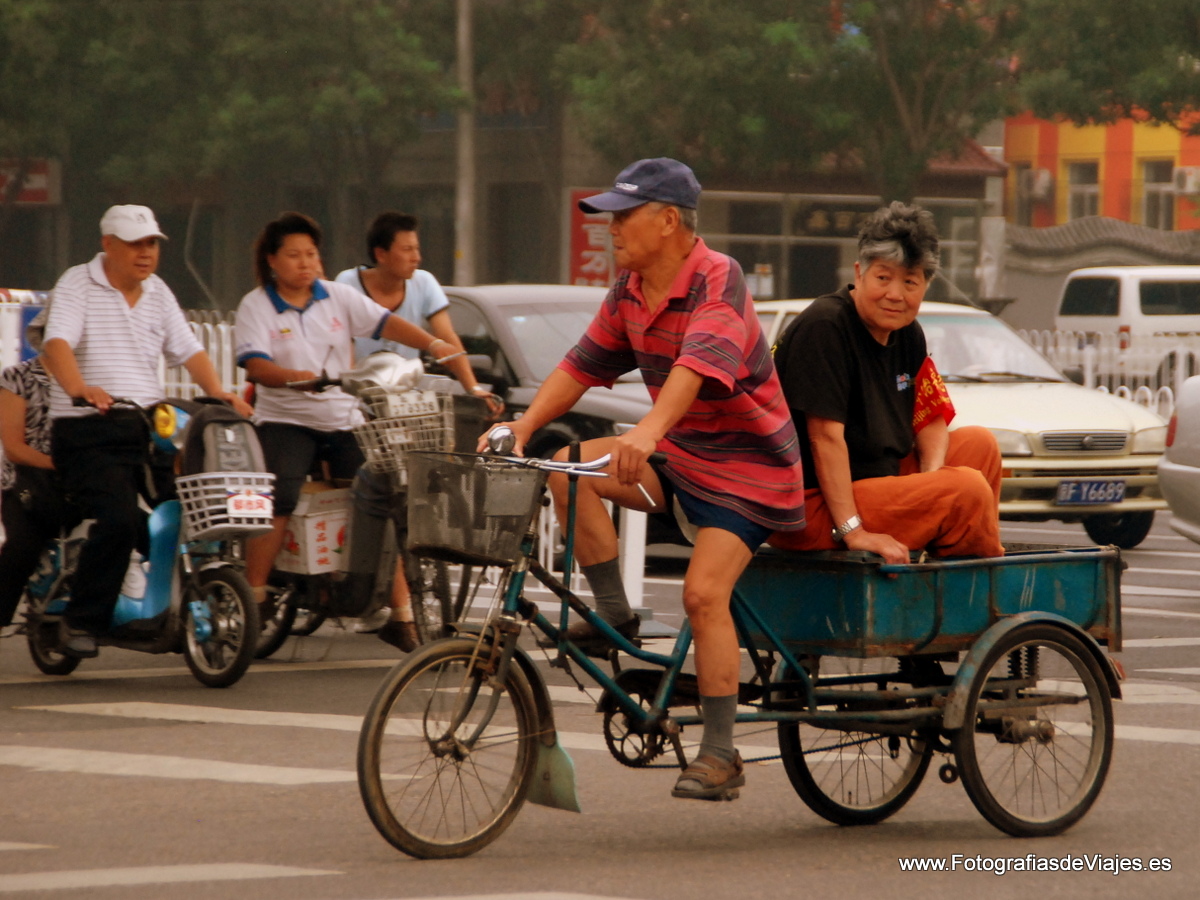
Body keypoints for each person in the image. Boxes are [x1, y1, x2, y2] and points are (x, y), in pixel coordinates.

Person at [480, 158, 805, 801]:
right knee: (567, 473)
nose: (611, 229)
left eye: (622, 216)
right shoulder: (628, 290)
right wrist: (522, 427)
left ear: (668, 221)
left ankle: (720, 753)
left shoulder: (720, 278)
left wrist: (647, 433)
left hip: (750, 468)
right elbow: (580, 366)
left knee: (702, 595)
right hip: (681, 454)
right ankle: (616, 617)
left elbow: (692, 368)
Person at [234, 211, 484, 650]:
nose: (305, 263)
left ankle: (399, 613)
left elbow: (384, 323)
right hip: (284, 419)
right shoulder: (257, 305)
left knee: (383, 493)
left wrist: (433, 344)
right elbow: (256, 366)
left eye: (311, 254)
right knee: (280, 499)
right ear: (272, 260)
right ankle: (255, 594)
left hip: (342, 416)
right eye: (294, 255)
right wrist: (296, 376)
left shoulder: (336, 296)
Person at [41, 205, 252, 658]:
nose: (146, 252)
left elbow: (189, 349)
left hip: (145, 426)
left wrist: (218, 393)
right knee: (118, 520)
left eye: (152, 243)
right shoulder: (78, 283)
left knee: (187, 509)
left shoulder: (157, 292)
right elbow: (56, 343)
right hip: (86, 429)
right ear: (108, 245)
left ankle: (171, 600)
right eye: (135, 243)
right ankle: (80, 620)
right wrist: (79, 388)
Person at [768, 201, 1004, 563]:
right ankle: (977, 582)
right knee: (965, 489)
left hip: (878, 482)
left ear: (926, 284)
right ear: (859, 272)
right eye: (883, 278)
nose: (895, 294)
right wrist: (854, 531)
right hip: (811, 506)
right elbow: (824, 439)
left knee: (980, 445)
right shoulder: (825, 327)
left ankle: (944, 556)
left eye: (910, 282)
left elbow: (931, 418)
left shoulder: (908, 332)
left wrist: (930, 482)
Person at [335, 212, 502, 648]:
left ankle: (401, 605)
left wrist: (473, 387)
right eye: (406, 249)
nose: (416, 257)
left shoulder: (424, 285)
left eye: (417, 248)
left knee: (411, 491)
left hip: (406, 407)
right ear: (381, 254)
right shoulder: (346, 286)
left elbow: (447, 342)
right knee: (376, 487)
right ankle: (383, 598)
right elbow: (344, 351)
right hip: (359, 404)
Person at [0, 309, 74, 635]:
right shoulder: (17, 377)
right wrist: (59, 464)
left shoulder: (88, 381)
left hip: (80, 481)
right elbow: (15, 448)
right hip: (27, 482)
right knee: (24, 547)